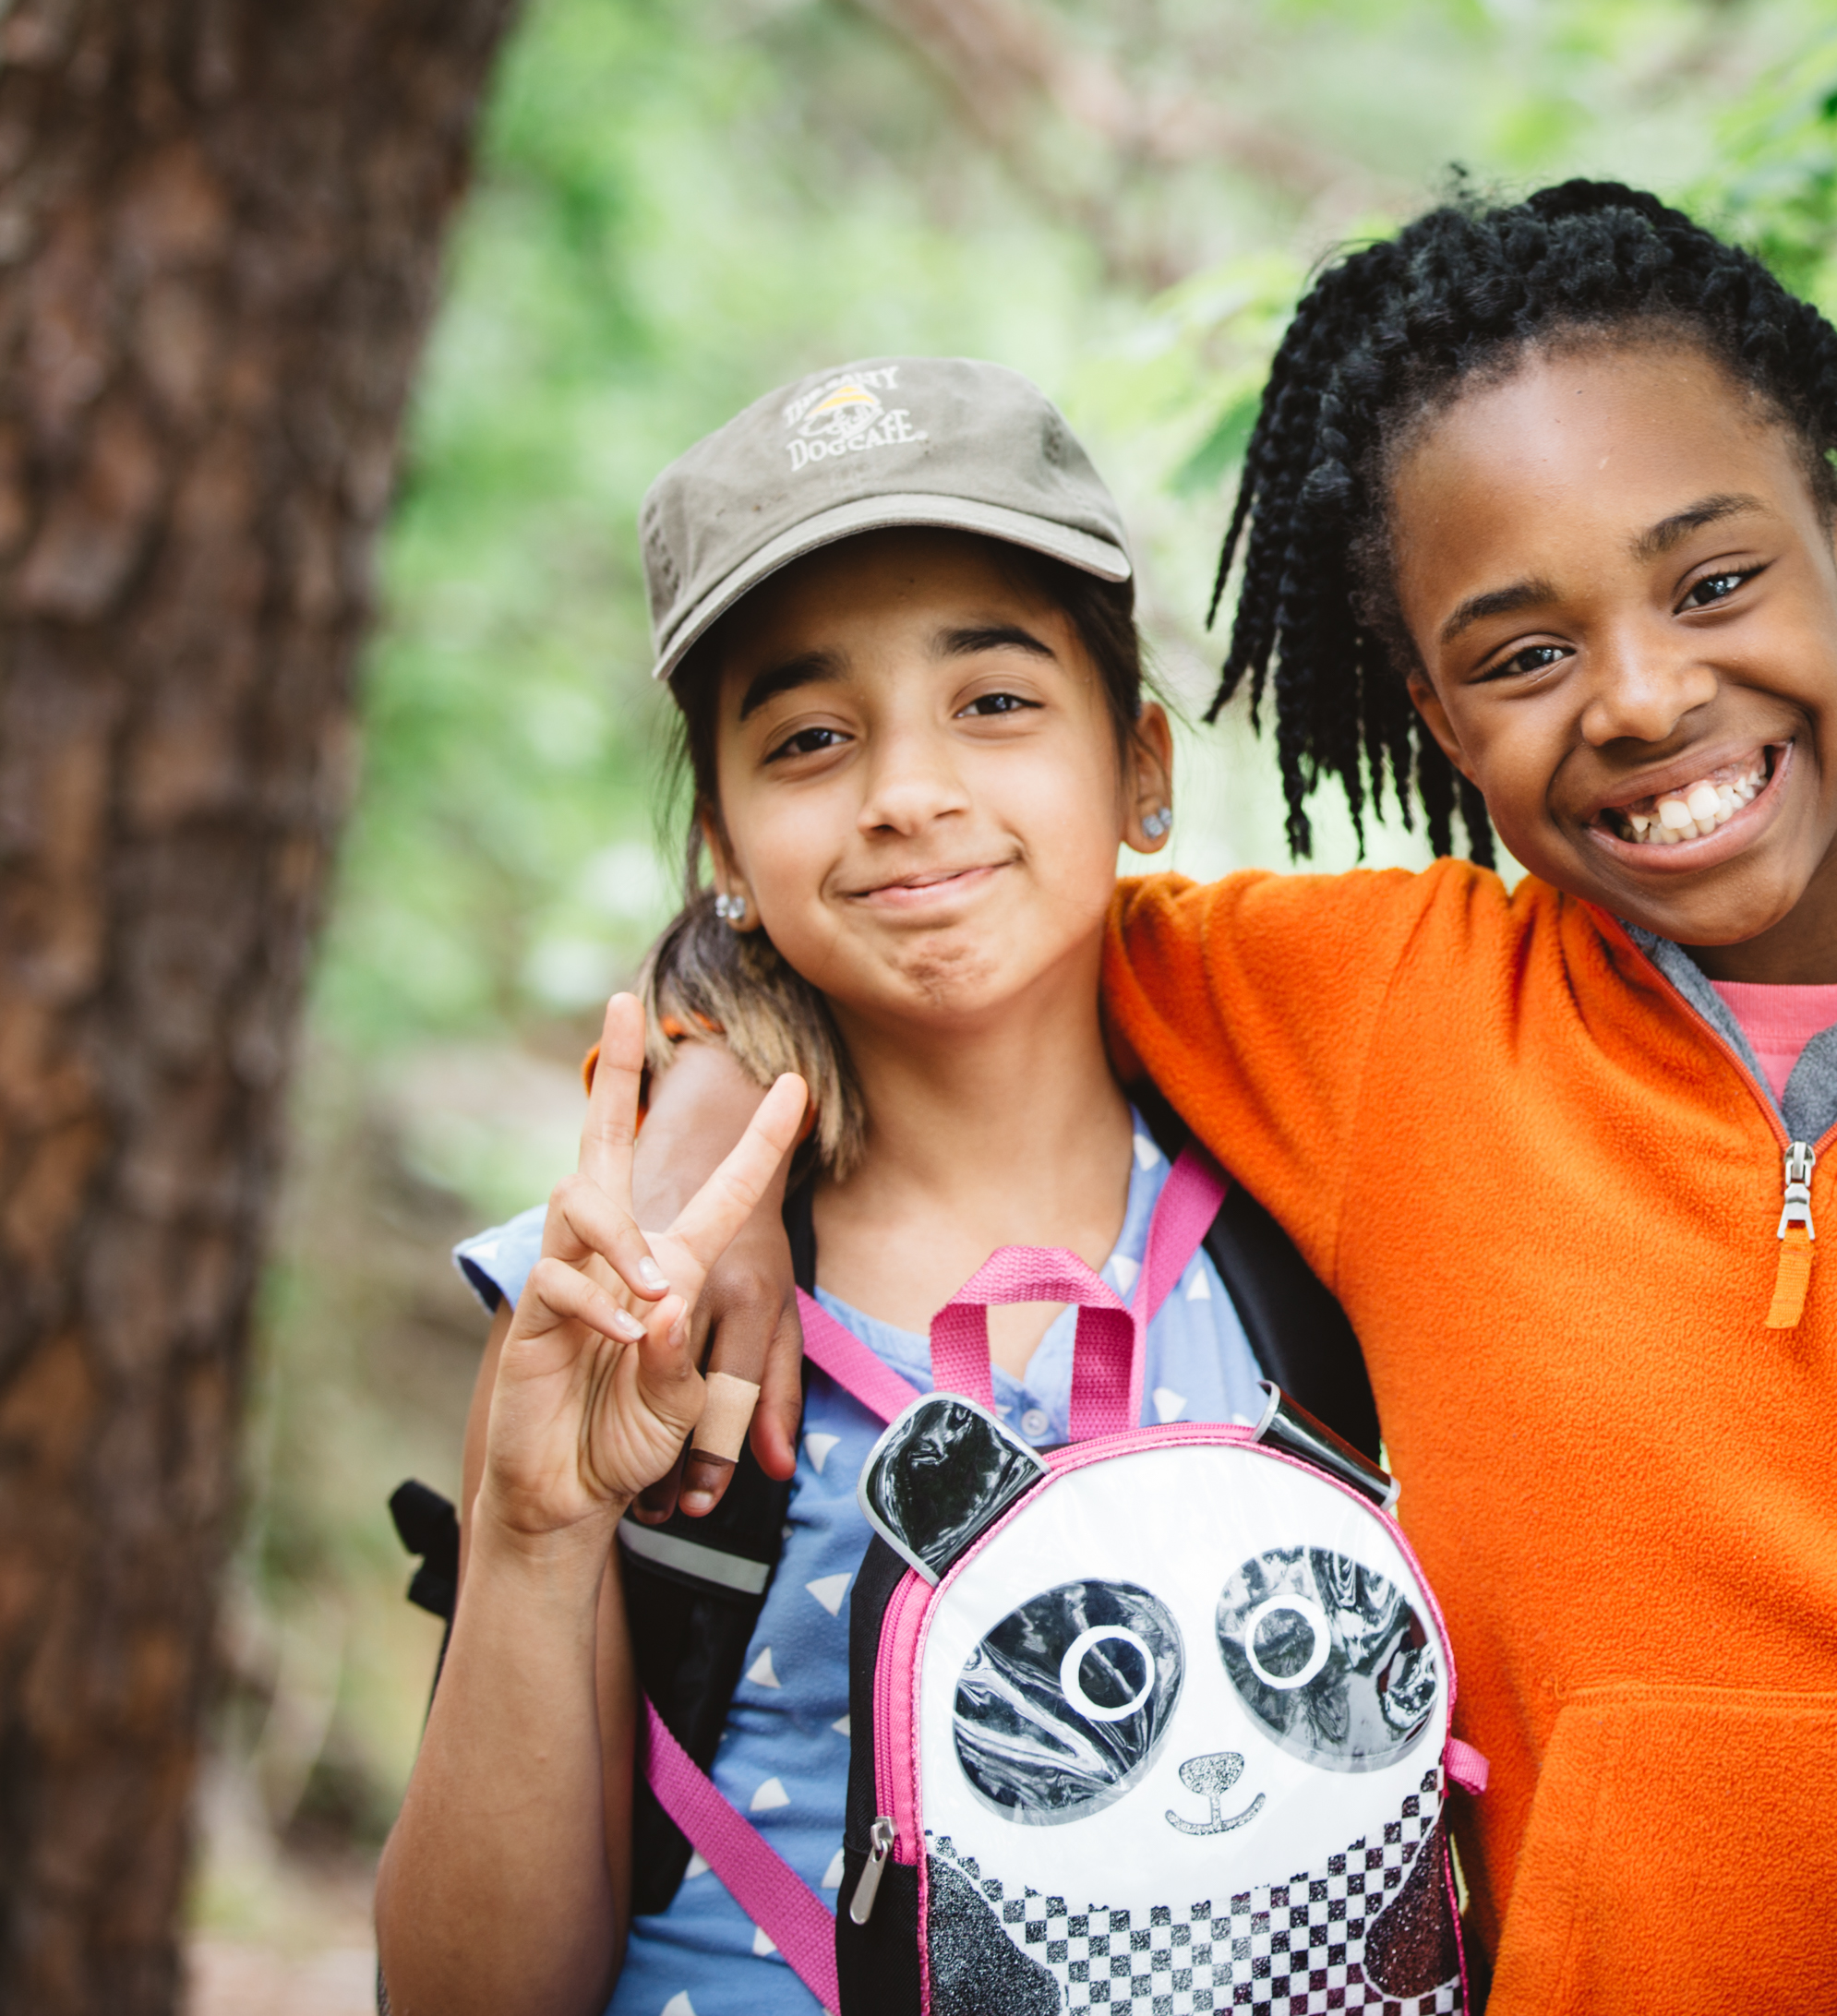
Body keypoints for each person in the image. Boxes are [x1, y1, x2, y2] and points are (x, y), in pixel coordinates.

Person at [647, 184, 1837, 2013]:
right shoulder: (1374, 1010)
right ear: (1434, 718)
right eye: (1523, 653)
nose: (1640, 695)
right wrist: (698, 1099)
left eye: (1714, 580)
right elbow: (931, 900)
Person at [375, 363, 1262, 2016]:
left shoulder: (1309, 1226)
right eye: (809, 739)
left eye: (994, 702)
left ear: (1141, 763)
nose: (908, 791)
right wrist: (535, 1534)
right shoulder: (626, 1298)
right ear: (721, 835)